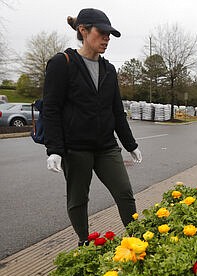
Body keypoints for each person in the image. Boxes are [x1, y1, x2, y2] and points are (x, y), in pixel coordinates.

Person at [43, 8, 142, 246]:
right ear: (83, 30)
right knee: (78, 199)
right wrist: (54, 149)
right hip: (75, 148)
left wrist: (131, 144)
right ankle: (84, 243)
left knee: (125, 193)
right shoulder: (62, 63)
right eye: (102, 33)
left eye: (110, 34)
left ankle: (138, 242)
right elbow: (52, 109)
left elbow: (117, 111)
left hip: (106, 147)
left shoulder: (109, 69)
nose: (107, 38)